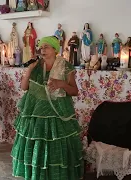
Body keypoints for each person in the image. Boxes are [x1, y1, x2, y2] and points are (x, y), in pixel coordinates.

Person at [11, 36, 83, 180]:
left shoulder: (64, 66)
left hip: (58, 112)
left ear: (55, 49)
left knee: (56, 145)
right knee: (37, 144)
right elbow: (24, 87)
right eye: (41, 47)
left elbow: (75, 91)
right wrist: (29, 70)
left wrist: (61, 84)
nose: (42, 50)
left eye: (46, 47)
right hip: (36, 112)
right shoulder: (36, 65)